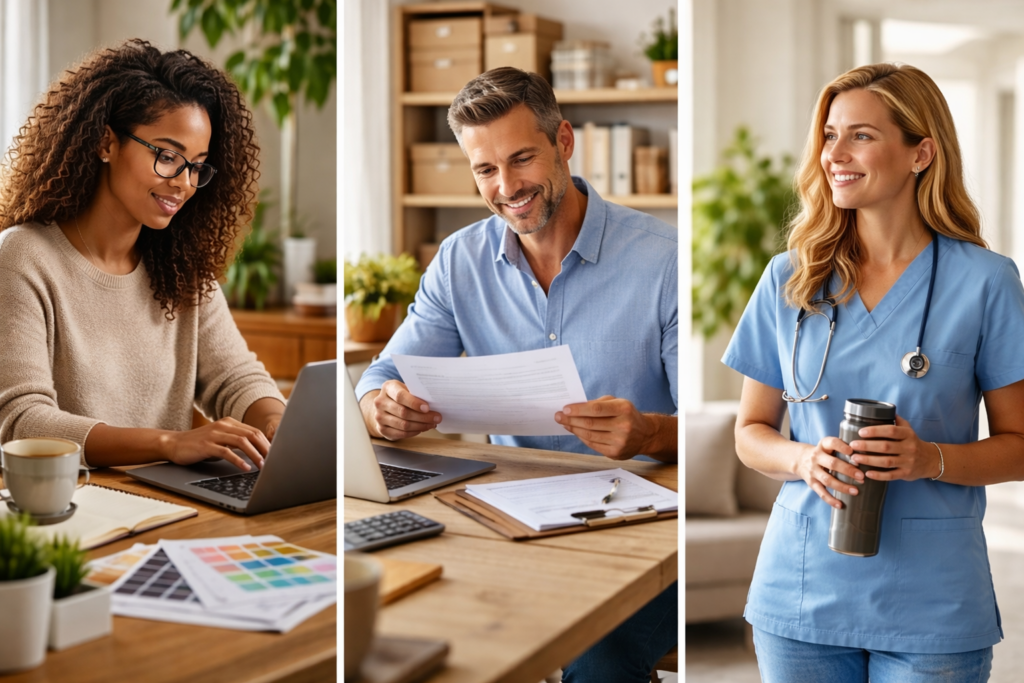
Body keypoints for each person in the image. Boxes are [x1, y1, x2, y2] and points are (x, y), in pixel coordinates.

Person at [354, 67, 677, 682]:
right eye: (485, 170)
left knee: (595, 659)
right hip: (505, 517)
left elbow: (716, 432)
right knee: (427, 634)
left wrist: (651, 433)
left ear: (564, 142)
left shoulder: (662, 262)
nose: (507, 186)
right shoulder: (458, 261)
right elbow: (381, 375)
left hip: (642, 525)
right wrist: (382, 406)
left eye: (522, 158)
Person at [723, 62, 1024, 682]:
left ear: (922, 153)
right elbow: (750, 432)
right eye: (830, 136)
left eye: (860, 135)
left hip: (933, 603)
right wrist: (803, 460)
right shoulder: (790, 277)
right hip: (800, 592)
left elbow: (1021, 447)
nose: (836, 153)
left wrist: (929, 459)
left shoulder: (986, 282)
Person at [0, 39, 285, 472]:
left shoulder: (179, 265)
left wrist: (277, 423)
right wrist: (170, 443)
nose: (184, 183)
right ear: (105, 143)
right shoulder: (24, 257)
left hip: (170, 507)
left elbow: (235, 378)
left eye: (196, 166)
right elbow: (24, 423)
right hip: (71, 510)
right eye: (168, 157)